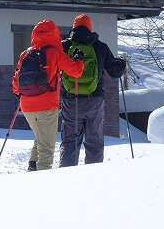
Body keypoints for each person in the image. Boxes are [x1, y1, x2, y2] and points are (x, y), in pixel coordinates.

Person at [12, 19, 84, 171]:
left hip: (26, 106)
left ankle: (32, 166)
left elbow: (15, 83)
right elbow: (76, 71)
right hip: (47, 105)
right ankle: (42, 178)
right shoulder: (55, 53)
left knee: (41, 137)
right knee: (47, 147)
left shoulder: (26, 53)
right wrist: (79, 59)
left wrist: (23, 96)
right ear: (55, 35)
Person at [59, 14, 126, 167]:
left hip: (70, 99)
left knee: (70, 141)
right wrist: (121, 63)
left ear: (74, 28)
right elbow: (114, 72)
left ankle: (66, 177)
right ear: (90, 28)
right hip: (94, 100)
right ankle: (93, 177)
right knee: (94, 140)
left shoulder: (65, 46)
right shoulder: (100, 46)